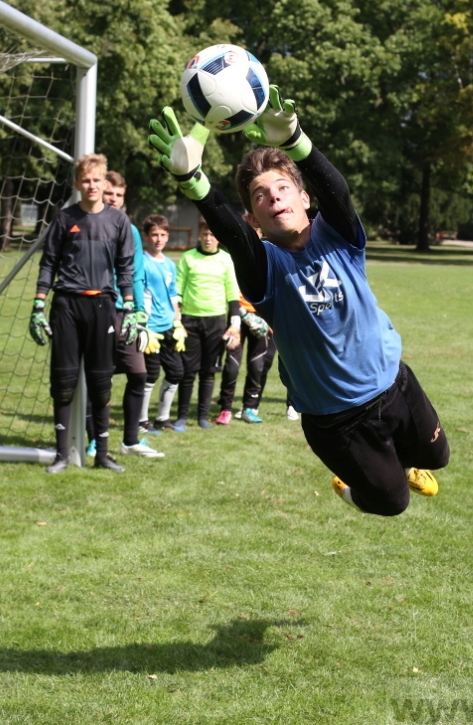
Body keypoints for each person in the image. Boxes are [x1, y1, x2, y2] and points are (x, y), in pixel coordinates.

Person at [148, 88, 449, 516]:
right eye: (260, 195)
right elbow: (232, 235)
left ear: (305, 199)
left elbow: (339, 191)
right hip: (336, 420)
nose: (273, 196)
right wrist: (192, 181)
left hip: (395, 383)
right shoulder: (263, 268)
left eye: (283, 187)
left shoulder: (339, 235)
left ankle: (400, 462)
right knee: (391, 502)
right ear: (255, 219)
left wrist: (295, 141)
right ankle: (351, 485)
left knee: (438, 459)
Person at [30, 153, 138, 473]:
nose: (92, 186)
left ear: (106, 183)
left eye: (97, 180)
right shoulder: (64, 219)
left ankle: (102, 454)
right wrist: (38, 305)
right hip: (66, 305)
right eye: (86, 180)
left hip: (103, 307)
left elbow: (125, 267)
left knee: (101, 382)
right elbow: (48, 264)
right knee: (63, 381)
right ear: (77, 184)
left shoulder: (119, 221)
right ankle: (61, 454)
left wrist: (130, 307)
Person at [89, 171, 163, 459]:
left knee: (138, 373)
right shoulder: (87, 224)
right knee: (98, 378)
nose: (114, 199)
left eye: (119, 195)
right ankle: (94, 439)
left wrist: (140, 314)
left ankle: (130, 440)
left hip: (127, 313)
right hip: (97, 311)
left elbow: (137, 274)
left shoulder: (130, 230)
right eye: (109, 194)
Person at [172, 219, 241, 430]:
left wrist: (235, 324)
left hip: (216, 321)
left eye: (212, 234)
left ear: (218, 237)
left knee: (208, 371)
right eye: (205, 234)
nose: (208, 238)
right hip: (190, 321)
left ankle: (202, 416)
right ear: (199, 235)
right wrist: (177, 321)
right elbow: (177, 292)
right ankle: (182, 416)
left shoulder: (226, 260)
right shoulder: (188, 258)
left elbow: (232, 294)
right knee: (187, 371)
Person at [138, 214, 188, 433]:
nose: (158, 239)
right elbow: (139, 293)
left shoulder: (169, 264)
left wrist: (178, 323)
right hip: (150, 329)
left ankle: (162, 418)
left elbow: (172, 294)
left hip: (168, 326)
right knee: (150, 374)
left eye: (162, 235)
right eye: (154, 235)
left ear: (167, 236)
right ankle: (141, 421)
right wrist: (142, 327)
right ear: (146, 237)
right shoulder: (140, 261)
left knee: (176, 372)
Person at [216, 291, 275, 424]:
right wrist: (242, 312)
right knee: (232, 366)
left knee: (257, 365)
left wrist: (268, 317)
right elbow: (229, 288)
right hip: (237, 315)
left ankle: (250, 408)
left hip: (261, 316)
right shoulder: (234, 269)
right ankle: (225, 409)